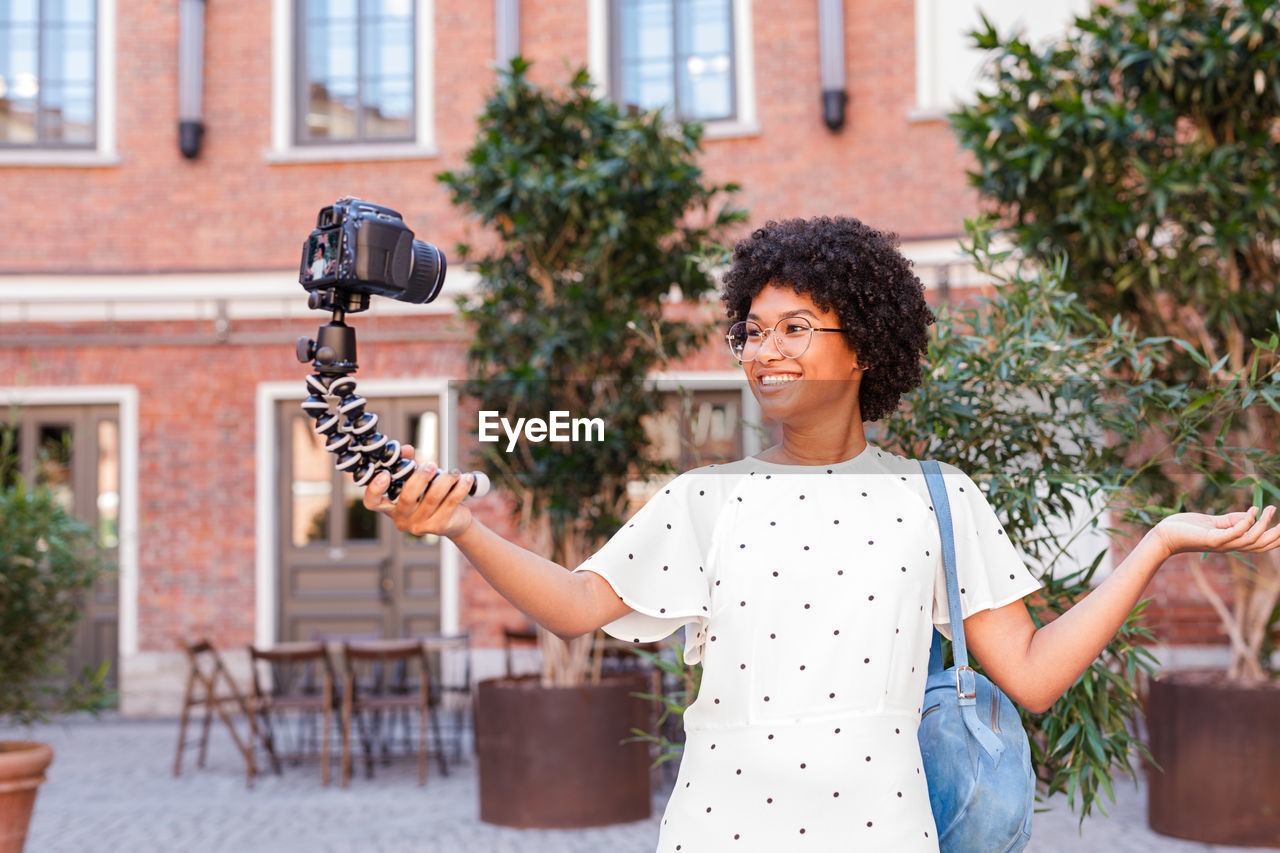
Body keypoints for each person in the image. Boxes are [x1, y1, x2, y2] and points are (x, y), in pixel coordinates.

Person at [364, 216, 1280, 852]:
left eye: (796, 327)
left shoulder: (938, 498)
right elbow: (573, 607)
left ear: (867, 347)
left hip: (881, 826)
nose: (765, 351)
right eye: (753, 330)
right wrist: (462, 529)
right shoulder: (704, 498)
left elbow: (1033, 676)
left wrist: (1156, 543)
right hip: (721, 824)